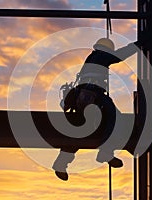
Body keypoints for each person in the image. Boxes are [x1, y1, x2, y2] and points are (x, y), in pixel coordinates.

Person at [53, 38, 141, 181]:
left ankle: (60, 164)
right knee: (115, 118)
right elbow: (119, 55)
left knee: (81, 131)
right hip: (93, 94)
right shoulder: (100, 55)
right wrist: (137, 45)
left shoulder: (92, 58)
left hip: (83, 97)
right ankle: (106, 152)